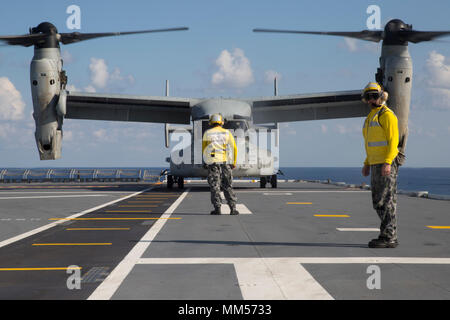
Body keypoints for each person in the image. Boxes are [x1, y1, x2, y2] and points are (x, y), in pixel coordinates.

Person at [361, 82, 400, 248]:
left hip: (385, 164)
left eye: (374, 96)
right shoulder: (371, 117)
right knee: (378, 201)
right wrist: (367, 163)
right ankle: (386, 234)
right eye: (368, 97)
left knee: (387, 200)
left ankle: (389, 236)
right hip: (375, 163)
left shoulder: (387, 115)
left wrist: (388, 162)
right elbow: (370, 143)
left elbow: (393, 142)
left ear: (381, 96)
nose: (371, 100)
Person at [202, 113, 239, 215]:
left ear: (211, 122)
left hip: (213, 164)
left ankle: (217, 208)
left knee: (215, 186)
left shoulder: (207, 133)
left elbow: (204, 150)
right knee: (228, 185)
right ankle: (233, 209)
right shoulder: (227, 133)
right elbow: (234, 148)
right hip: (225, 163)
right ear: (222, 122)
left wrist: (205, 162)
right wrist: (234, 162)